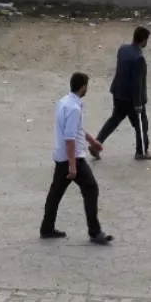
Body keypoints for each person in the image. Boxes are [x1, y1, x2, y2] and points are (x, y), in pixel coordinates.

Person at [40, 72, 114, 245]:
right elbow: (70, 138)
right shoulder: (74, 109)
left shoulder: (64, 102)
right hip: (72, 159)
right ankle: (95, 232)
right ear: (82, 87)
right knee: (91, 189)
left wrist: (93, 141)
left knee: (55, 194)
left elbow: (77, 129)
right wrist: (73, 167)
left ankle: (47, 228)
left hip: (60, 157)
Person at [95, 26, 151, 160]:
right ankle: (141, 152)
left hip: (118, 93)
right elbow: (137, 83)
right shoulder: (139, 58)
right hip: (131, 99)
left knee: (114, 120)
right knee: (141, 124)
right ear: (144, 40)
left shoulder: (123, 49)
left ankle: (96, 145)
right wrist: (138, 103)